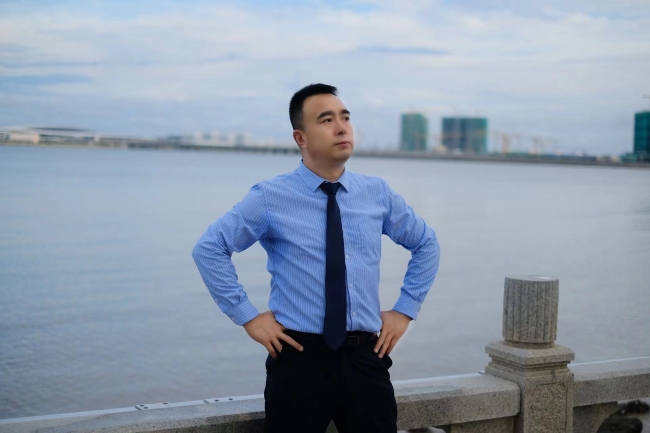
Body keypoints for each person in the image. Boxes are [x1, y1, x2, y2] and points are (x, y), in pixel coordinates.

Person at [192, 83, 440, 433]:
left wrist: (405, 309)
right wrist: (247, 316)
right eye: (326, 120)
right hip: (298, 361)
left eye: (345, 118)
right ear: (301, 138)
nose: (341, 128)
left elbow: (426, 243)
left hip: (365, 359)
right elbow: (209, 248)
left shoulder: (377, 193)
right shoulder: (270, 197)